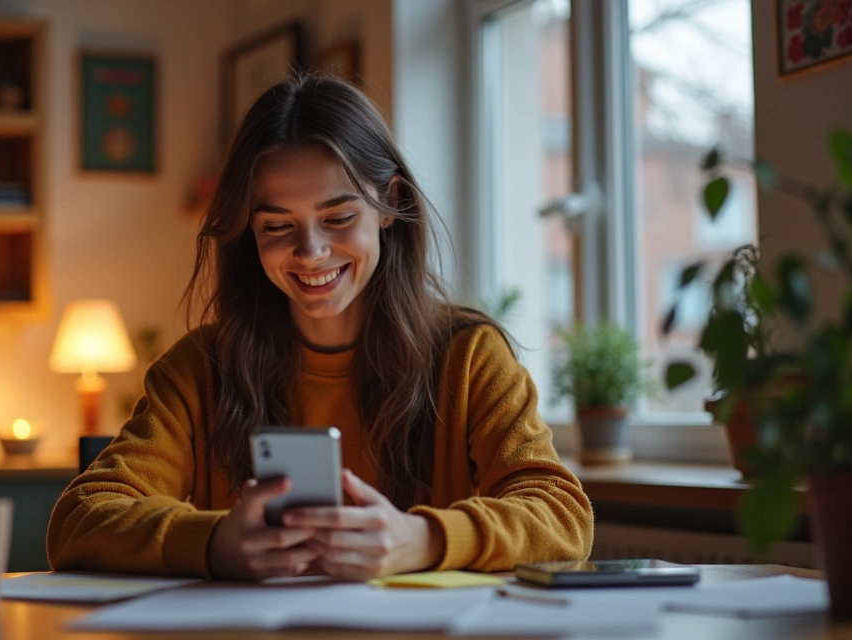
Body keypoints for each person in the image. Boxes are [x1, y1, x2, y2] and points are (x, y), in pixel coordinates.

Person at [46, 75, 593, 581]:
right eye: (278, 226)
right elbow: (79, 520)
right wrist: (215, 542)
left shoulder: (470, 356)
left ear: (389, 204)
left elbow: (562, 517)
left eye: (338, 218)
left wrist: (423, 539)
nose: (310, 253)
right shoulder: (199, 369)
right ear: (249, 234)